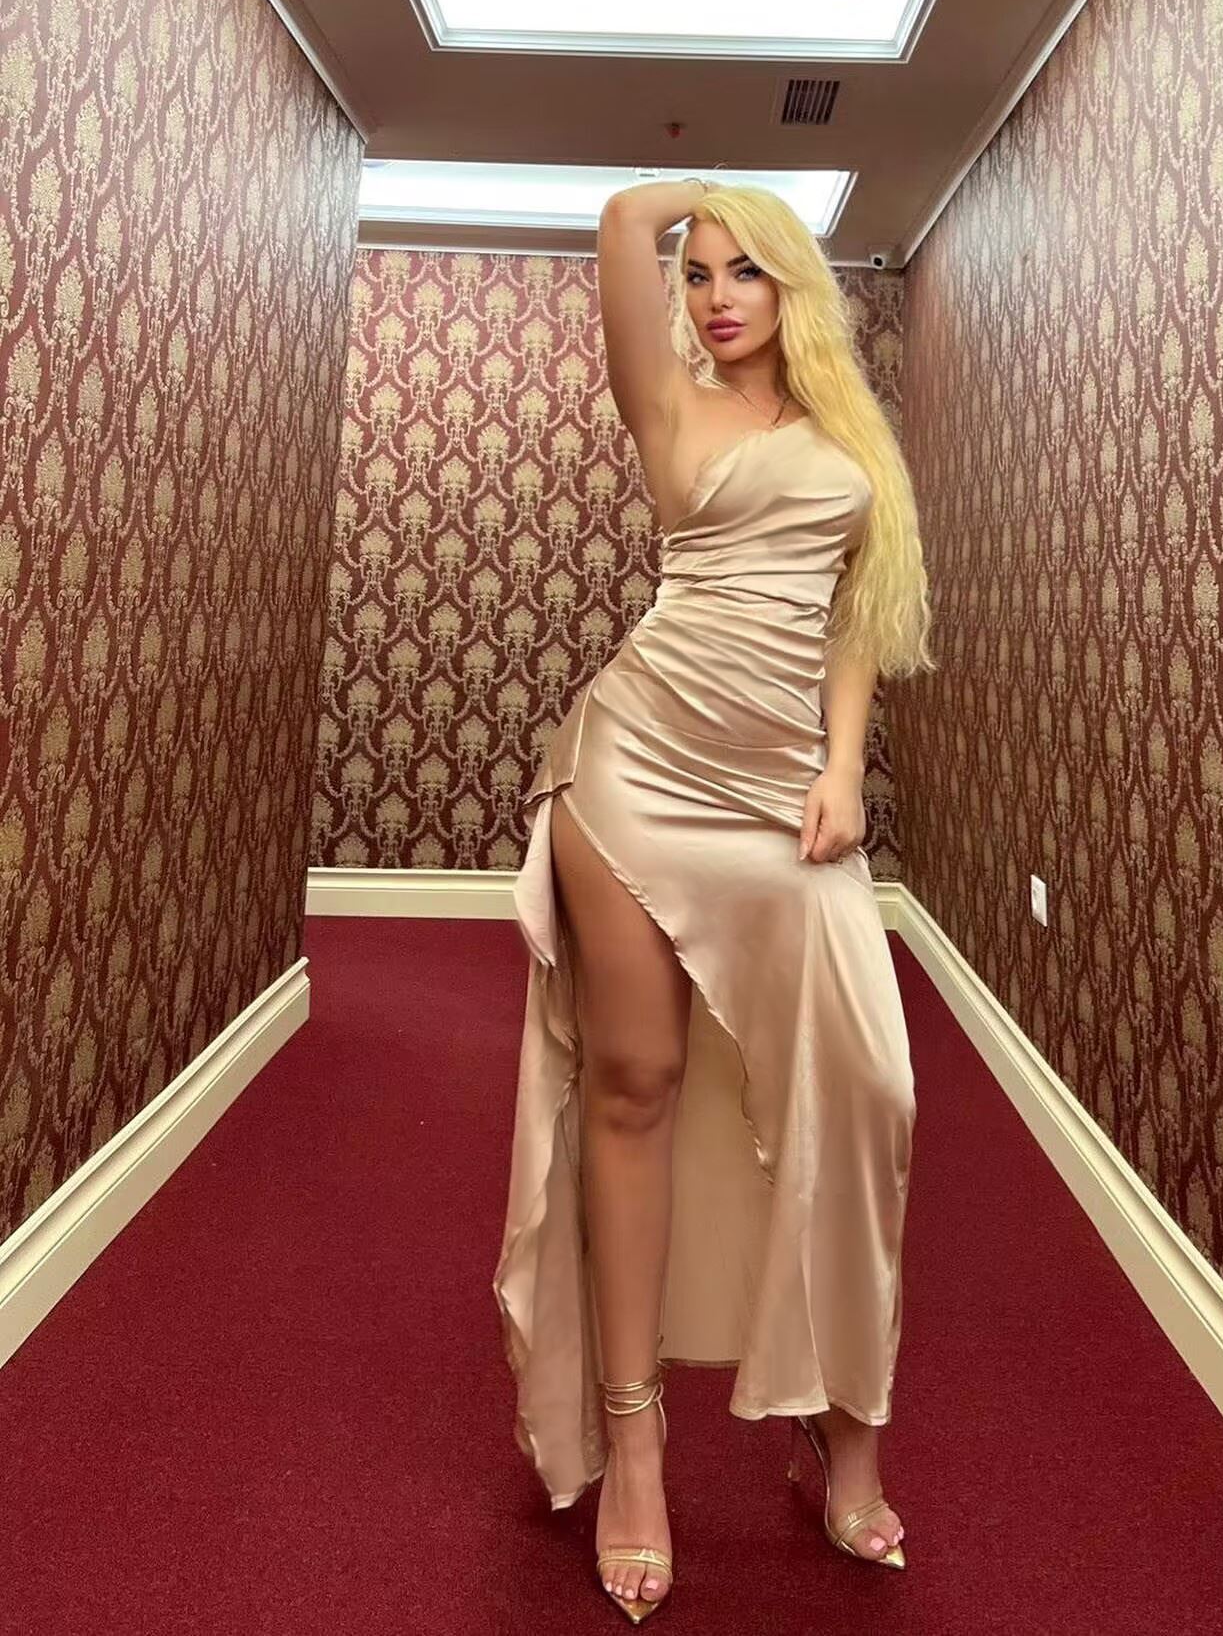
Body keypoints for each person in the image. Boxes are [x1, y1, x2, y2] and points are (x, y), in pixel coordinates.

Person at [493, 177, 936, 1623]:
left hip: (785, 796)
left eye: (748, 270)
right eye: (701, 275)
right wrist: (706, 199)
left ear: (797, 283)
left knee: (865, 1092)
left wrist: (844, 769)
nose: (717, 295)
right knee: (634, 1084)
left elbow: (854, 617)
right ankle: (635, 1442)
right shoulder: (671, 405)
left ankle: (845, 1427)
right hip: (637, 772)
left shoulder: (849, 439)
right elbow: (627, 218)